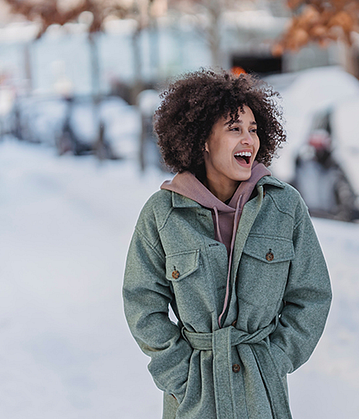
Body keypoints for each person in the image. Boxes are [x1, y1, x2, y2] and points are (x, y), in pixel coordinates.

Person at [123, 69, 332, 419]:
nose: (248, 140)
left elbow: (311, 294)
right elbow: (142, 303)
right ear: (202, 140)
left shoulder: (284, 207)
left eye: (252, 130)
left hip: (261, 393)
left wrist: (274, 359)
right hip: (193, 399)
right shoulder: (162, 214)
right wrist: (181, 375)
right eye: (234, 129)